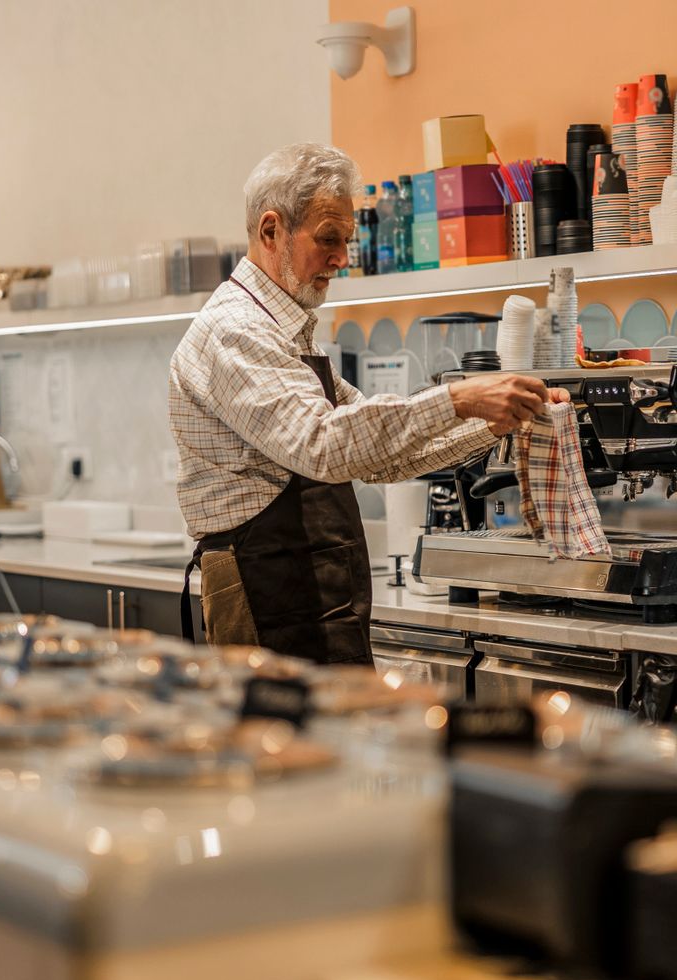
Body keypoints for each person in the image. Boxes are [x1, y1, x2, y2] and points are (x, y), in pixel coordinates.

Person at [169, 143, 568, 665]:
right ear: (271, 231)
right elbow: (324, 446)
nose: (341, 259)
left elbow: (384, 454)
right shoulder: (235, 333)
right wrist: (459, 397)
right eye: (328, 239)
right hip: (265, 594)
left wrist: (495, 421)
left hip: (308, 588)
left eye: (346, 241)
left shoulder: (285, 334)